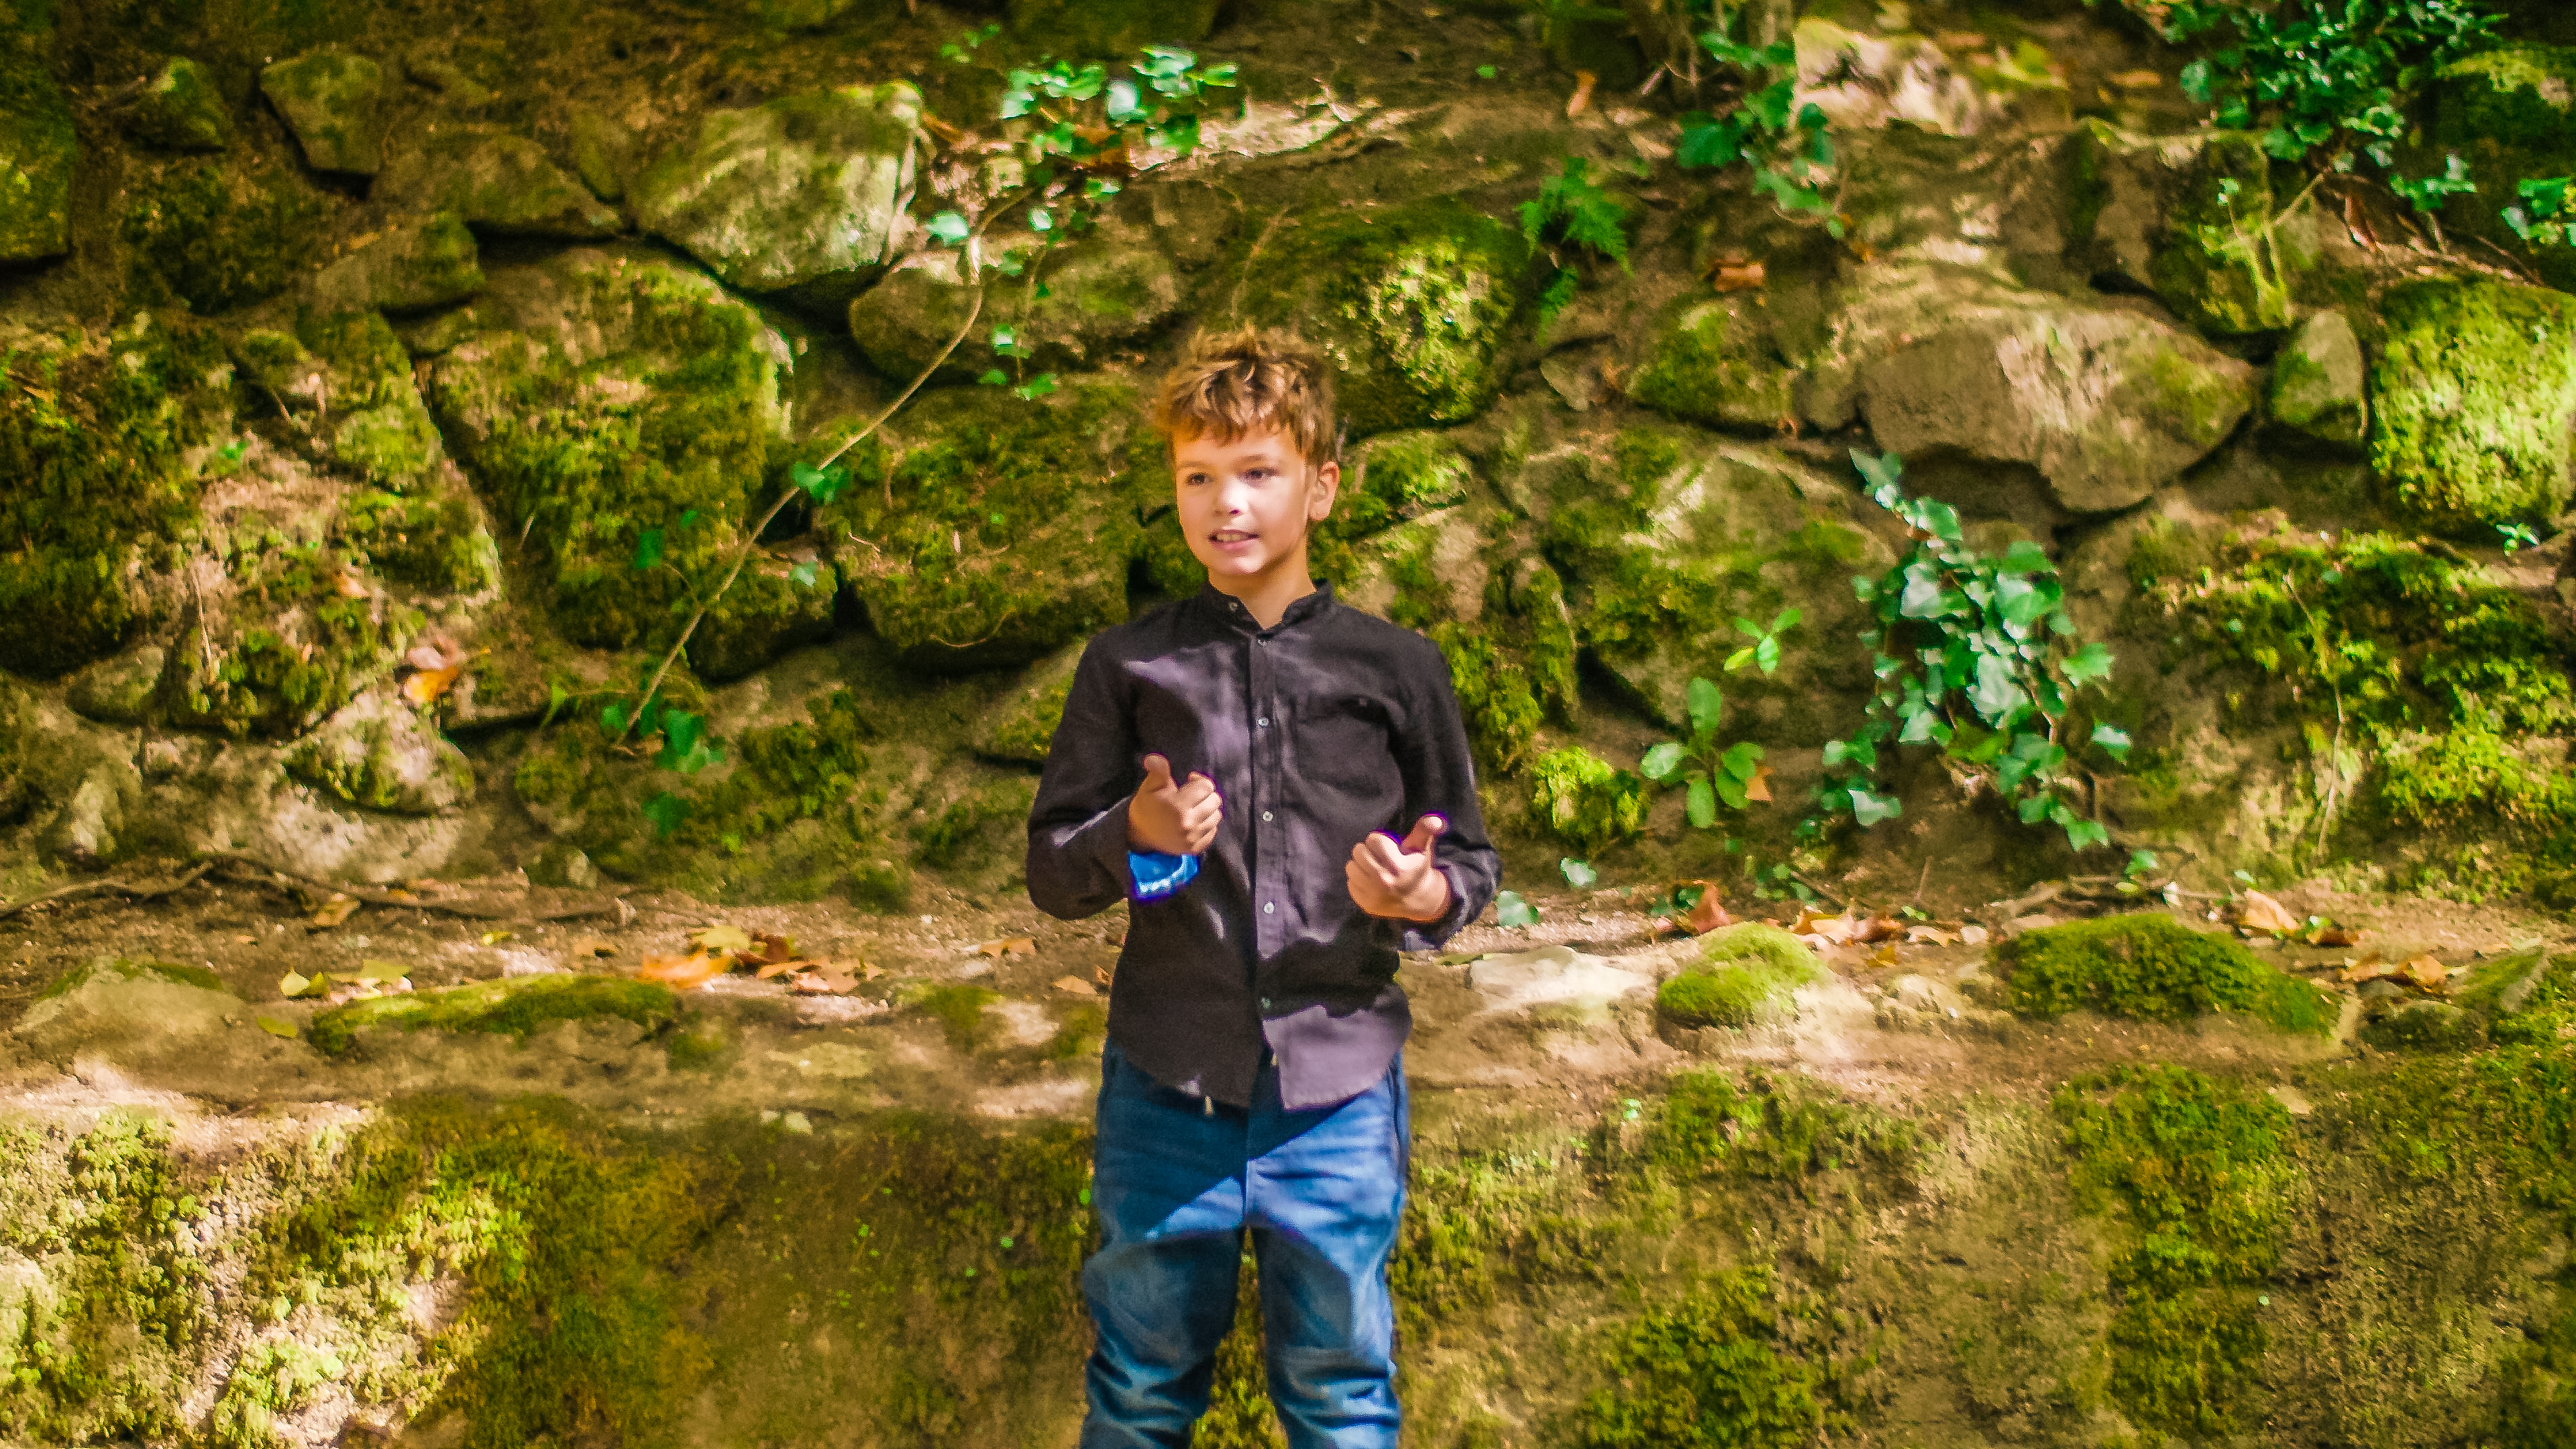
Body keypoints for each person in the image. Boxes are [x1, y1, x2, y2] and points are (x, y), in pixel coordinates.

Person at [1025, 325, 1501, 1448]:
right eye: (1197, 476)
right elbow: (1053, 870)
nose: (1225, 503)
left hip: (1339, 1088)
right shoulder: (1130, 665)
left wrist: (1420, 897)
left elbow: (1469, 863)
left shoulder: (1398, 668)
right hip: (1168, 1082)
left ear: (1321, 488)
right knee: (1140, 1389)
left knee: (1339, 1390)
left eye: (1257, 472)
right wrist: (1135, 834)